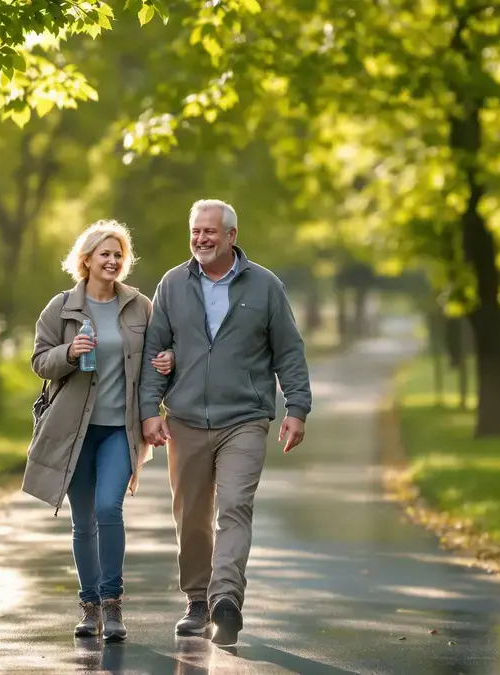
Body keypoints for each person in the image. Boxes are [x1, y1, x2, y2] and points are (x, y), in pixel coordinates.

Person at [139, 199, 312, 646]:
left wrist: (297, 408)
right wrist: (147, 411)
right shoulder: (173, 284)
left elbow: (289, 351)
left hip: (245, 418)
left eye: (210, 232)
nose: (201, 239)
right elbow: (153, 350)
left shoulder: (265, 287)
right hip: (187, 419)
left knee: (234, 507)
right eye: (196, 231)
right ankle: (198, 600)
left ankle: (225, 600)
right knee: (191, 516)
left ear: (232, 235)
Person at [22, 219, 175, 643]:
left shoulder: (140, 306)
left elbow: (157, 356)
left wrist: (167, 362)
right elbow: (39, 362)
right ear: (85, 260)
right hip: (74, 431)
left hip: (119, 431)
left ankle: (113, 603)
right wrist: (69, 352)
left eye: (118, 254)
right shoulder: (61, 307)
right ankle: (88, 607)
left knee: (109, 508)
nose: (112, 260)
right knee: (82, 521)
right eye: (104, 253)